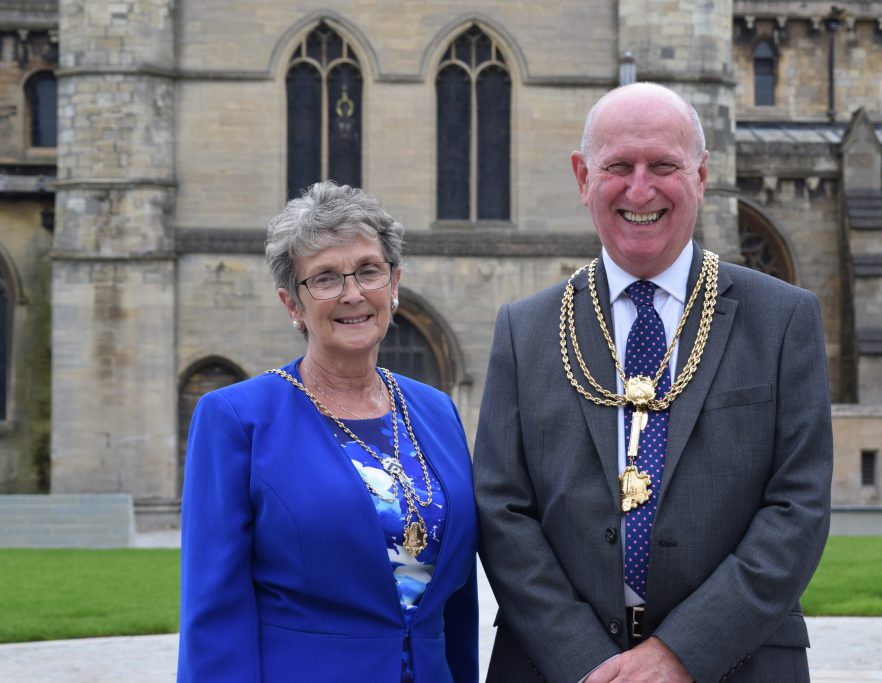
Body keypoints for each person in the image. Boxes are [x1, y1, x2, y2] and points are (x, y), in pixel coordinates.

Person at [473, 82, 833, 682]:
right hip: (556, 670)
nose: (640, 189)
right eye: (618, 166)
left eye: (664, 165)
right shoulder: (526, 329)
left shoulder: (783, 319)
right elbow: (501, 510)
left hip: (738, 665)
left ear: (701, 175)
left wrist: (680, 655)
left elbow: (798, 507)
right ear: (583, 176)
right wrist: (588, 663)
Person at [177, 182, 478, 683]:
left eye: (368, 270)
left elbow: (457, 600)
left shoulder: (437, 411)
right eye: (324, 278)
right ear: (292, 304)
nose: (352, 293)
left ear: (394, 283)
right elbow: (213, 613)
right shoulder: (236, 419)